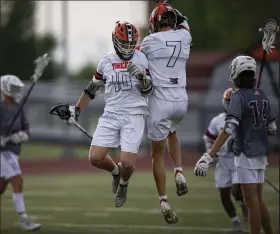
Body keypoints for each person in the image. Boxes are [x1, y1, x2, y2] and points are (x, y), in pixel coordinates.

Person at [66, 21, 153, 208]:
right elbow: (92, 89)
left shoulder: (141, 58)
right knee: (95, 158)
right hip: (111, 114)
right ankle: (115, 173)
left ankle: (124, 183)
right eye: (124, 43)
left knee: (128, 164)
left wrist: (142, 77)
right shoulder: (106, 61)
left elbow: (148, 91)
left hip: (134, 114)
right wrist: (77, 109)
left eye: (131, 44)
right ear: (115, 40)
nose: (128, 48)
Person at [194, 55, 276, 234]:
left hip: (245, 154)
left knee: (251, 201)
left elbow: (228, 130)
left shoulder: (238, 98)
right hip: (261, 152)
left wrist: (209, 155)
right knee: (258, 199)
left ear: (235, 74)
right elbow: (272, 130)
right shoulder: (262, 96)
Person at [135, 3, 192, 224]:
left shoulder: (149, 41)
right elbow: (184, 21)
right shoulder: (184, 36)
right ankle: (179, 171)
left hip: (160, 100)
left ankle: (164, 200)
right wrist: (171, 9)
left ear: (154, 23)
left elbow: (135, 57)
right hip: (181, 100)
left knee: (157, 154)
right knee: (173, 132)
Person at [203, 88, 248, 232]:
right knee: (223, 193)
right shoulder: (217, 120)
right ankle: (235, 221)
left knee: (236, 190)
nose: (229, 104)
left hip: (238, 160)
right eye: (228, 101)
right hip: (222, 161)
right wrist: (211, 152)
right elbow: (208, 138)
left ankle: (243, 203)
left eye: (232, 101)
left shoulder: (243, 119)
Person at [0, 75, 41, 231]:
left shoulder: (19, 108)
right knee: (18, 180)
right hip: (3, 152)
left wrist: (22, 135)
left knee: (1, 187)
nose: (17, 91)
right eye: (14, 88)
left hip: (13, 151)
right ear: (5, 89)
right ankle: (24, 218)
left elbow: (26, 128)